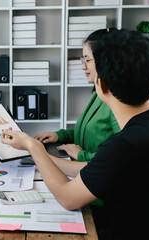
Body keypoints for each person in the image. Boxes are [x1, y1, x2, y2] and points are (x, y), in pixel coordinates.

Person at [1, 28, 149, 239]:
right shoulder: (141, 132)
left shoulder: (123, 145)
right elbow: (101, 169)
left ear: (101, 85)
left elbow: (67, 198)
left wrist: (32, 146)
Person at [35, 29, 120, 164]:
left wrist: (81, 155)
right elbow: (88, 134)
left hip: (95, 177)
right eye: (83, 60)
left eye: (87, 60)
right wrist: (59, 135)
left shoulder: (117, 100)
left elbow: (120, 156)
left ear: (104, 60)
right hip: (83, 171)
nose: (83, 67)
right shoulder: (99, 93)